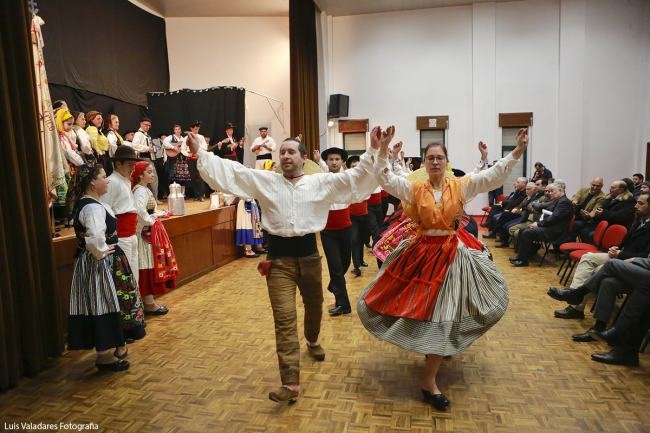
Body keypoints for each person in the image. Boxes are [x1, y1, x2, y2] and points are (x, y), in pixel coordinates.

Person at [187, 130, 379, 404]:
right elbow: (233, 173)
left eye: (291, 152)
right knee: (285, 319)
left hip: (310, 258)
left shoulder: (319, 182)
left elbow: (355, 180)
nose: (286, 156)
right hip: (278, 262)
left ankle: (312, 340)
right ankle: (290, 382)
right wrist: (201, 152)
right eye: (283, 152)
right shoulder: (265, 180)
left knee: (314, 308)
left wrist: (374, 151)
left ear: (303, 158)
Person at [357, 127, 528, 411]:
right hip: (421, 254)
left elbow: (493, 176)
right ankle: (430, 362)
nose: (435, 162)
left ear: (446, 162)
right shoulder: (414, 188)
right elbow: (385, 178)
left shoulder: (461, 185)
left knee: (445, 311)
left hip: (451, 254)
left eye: (439, 158)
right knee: (425, 307)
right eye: (430, 158)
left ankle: (430, 375)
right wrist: (383, 149)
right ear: (424, 163)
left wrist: (518, 150)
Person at [68, 163, 145, 372]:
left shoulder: (92, 203)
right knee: (103, 302)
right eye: (103, 176)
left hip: (96, 261)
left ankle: (115, 347)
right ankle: (105, 354)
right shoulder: (92, 207)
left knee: (104, 302)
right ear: (92, 182)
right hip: (98, 263)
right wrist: (102, 252)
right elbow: (94, 238)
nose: (107, 180)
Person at [131, 161, 175, 315]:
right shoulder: (140, 191)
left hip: (147, 231)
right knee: (147, 264)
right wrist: (152, 220)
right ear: (140, 175)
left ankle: (148, 302)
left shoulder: (144, 189)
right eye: (149, 172)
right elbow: (139, 211)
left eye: (152, 172)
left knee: (149, 263)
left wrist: (156, 214)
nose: (153, 175)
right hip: (144, 234)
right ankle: (149, 303)